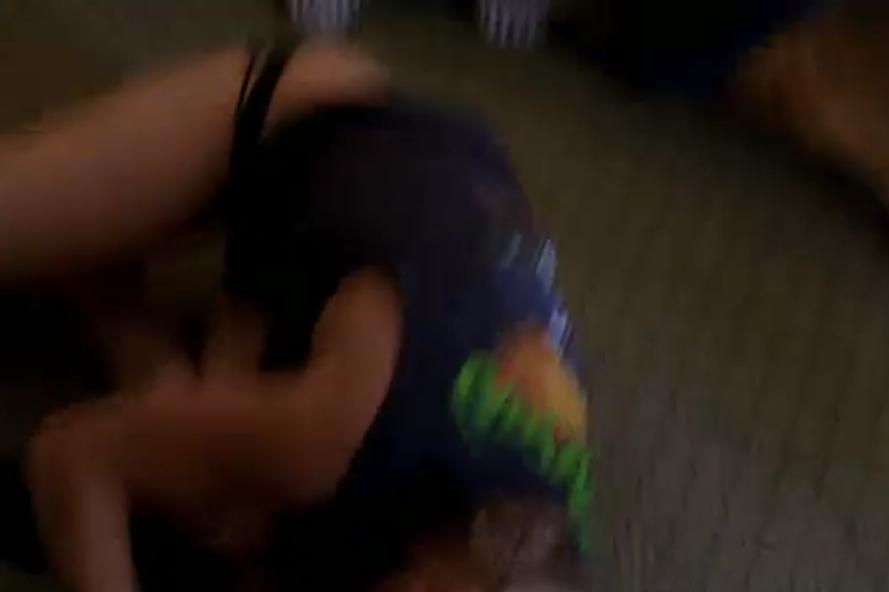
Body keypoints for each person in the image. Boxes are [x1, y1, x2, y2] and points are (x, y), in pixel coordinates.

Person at [1, 38, 590, 591]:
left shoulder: (542, 531)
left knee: (236, 521)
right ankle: (105, 269)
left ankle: (106, 286)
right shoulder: (332, 436)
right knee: (240, 489)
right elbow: (73, 458)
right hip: (297, 110)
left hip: (400, 221)